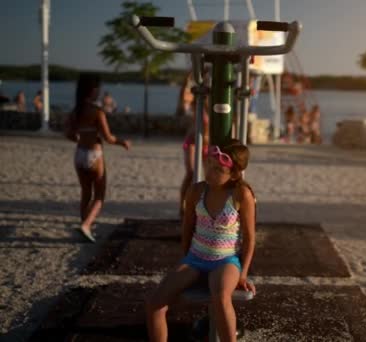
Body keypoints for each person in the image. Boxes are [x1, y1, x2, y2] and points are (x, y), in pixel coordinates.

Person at [146, 140, 256, 342]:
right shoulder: (196, 191)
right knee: (155, 303)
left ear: (234, 174)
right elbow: (187, 227)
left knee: (221, 299)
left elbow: (250, 238)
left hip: (225, 262)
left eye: (218, 169)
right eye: (209, 165)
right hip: (195, 258)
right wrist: (185, 258)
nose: (210, 172)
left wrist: (243, 274)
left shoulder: (242, 194)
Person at [64, 73, 131, 243]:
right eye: (98, 88)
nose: (99, 91)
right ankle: (87, 225)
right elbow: (108, 138)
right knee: (99, 196)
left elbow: (69, 134)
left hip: (79, 154)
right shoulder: (97, 112)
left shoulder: (75, 111)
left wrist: (82, 137)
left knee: (86, 193)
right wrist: (123, 142)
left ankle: (84, 228)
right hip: (94, 155)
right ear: (92, 90)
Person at [179, 111, 209, 218]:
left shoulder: (214, 105)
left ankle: (206, 207)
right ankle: (182, 204)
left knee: (210, 177)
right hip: (193, 142)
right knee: (191, 173)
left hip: (207, 143)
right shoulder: (197, 104)